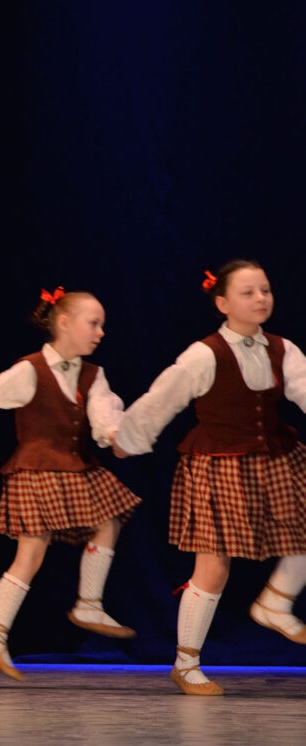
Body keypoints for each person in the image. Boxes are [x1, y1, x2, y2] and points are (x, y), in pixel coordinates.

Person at [0, 287, 140, 682]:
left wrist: (113, 433)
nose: (100, 332)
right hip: (37, 469)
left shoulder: (93, 375)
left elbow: (103, 414)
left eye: (102, 325)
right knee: (32, 552)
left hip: (74, 467)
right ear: (64, 323)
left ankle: (84, 605)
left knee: (106, 521)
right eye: (93, 324)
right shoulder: (30, 370)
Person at [115, 261, 306, 695]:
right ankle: (186, 664)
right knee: (214, 565)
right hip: (220, 463)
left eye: (265, 290)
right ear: (222, 303)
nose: (260, 299)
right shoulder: (205, 354)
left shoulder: (283, 349)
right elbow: (162, 398)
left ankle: (276, 601)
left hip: (275, 458)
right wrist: (130, 437)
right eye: (248, 292)